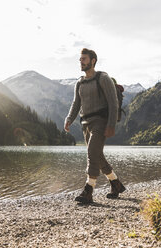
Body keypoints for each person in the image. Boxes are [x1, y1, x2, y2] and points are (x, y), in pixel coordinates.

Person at [64, 48, 126, 204]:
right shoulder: (79, 82)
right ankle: (115, 183)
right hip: (85, 123)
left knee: (92, 151)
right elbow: (76, 103)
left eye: (84, 59)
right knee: (97, 155)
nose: (81, 61)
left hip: (101, 121)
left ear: (93, 61)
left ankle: (88, 190)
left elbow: (113, 103)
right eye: (80, 59)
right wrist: (69, 118)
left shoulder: (102, 78)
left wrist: (111, 124)